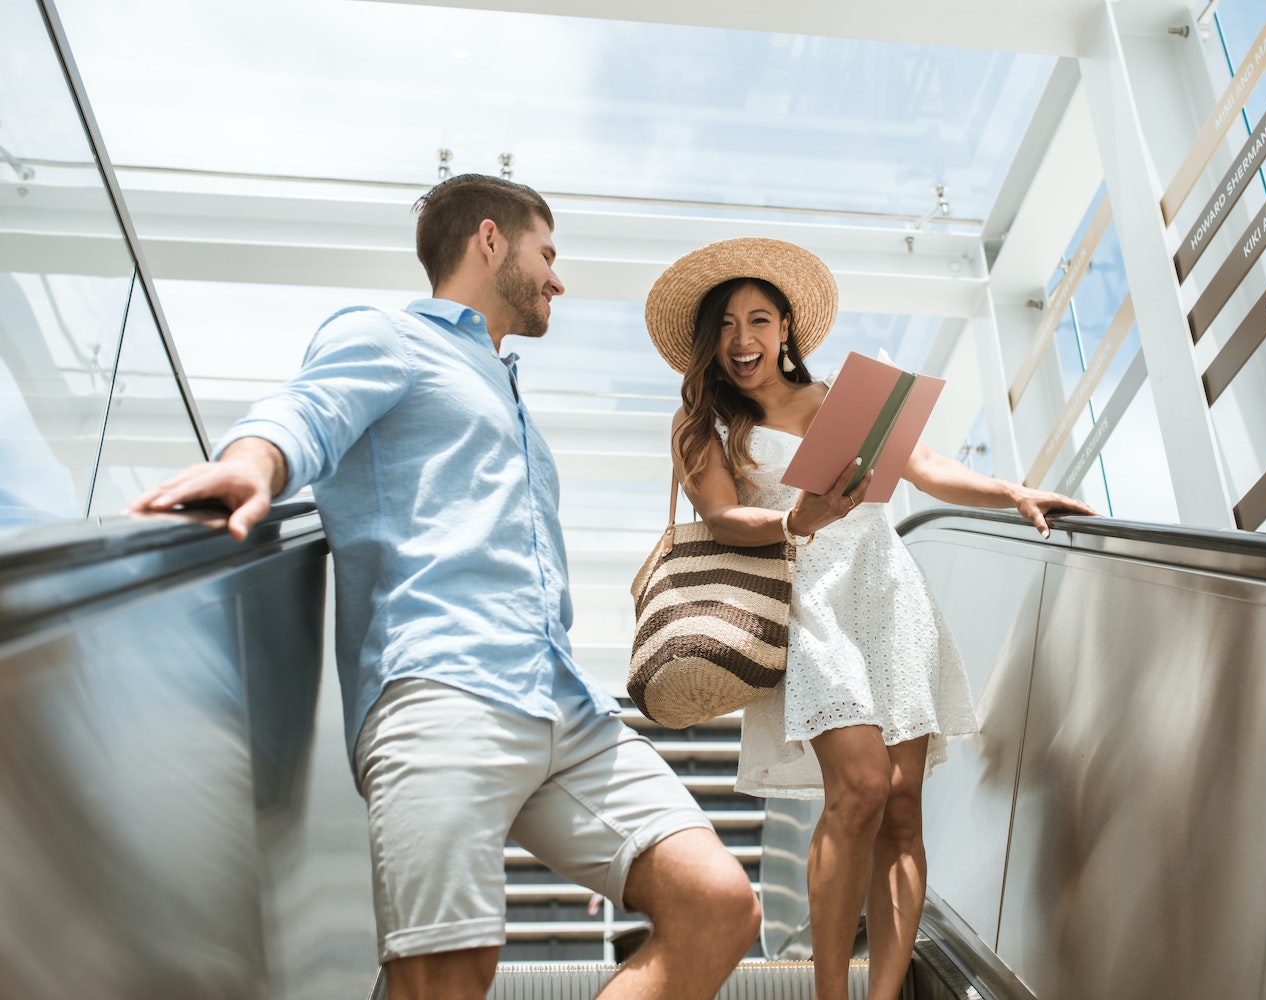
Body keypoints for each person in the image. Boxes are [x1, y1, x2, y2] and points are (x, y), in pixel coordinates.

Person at [129, 175, 760, 1000]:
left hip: (565, 707)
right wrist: (248, 465)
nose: (557, 278)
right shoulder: (391, 336)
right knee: (452, 976)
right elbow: (307, 411)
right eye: (548, 253)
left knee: (719, 905)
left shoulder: (505, 387)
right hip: (445, 686)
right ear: (490, 241)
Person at [643, 238, 1096, 1000]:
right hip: (805, 603)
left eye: (758, 320)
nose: (743, 339)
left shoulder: (842, 402)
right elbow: (722, 517)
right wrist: (797, 521)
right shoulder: (703, 429)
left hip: (887, 593)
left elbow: (923, 466)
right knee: (857, 786)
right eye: (725, 325)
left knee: (901, 808)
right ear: (708, 341)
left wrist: (1011, 491)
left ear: (786, 329)